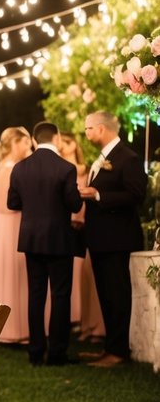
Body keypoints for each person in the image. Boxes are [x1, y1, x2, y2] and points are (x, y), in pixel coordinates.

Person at [7, 121, 82, 367]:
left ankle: (36, 352)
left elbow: (12, 203)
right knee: (60, 295)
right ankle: (57, 353)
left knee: (36, 295)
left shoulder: (20, 168)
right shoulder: (66, 168)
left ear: (36, 140)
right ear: (57, 137)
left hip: (31, 239)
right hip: (59, 239)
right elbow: (75, 205)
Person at [80, 111, 147, 368]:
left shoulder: (128, 158)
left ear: (102, 129)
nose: (86, 133)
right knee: (106, 295)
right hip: (99, 238)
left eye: (88, 128)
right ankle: (109, 347)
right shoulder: (102, 158)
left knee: (117, 295)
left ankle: (118, 352)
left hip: (118, 239)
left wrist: (98, 195)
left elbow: (136, 195)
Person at [0, 127, 32, 344]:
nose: (29, 148)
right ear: (15, 144)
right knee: (14, 272)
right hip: (11, 224)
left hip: (0, 225)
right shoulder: (11, 168)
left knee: (9, 271)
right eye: (25, 143)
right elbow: (9, 205)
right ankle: (14, 328)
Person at [59, 131, 105, 341]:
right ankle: (71, 318)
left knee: (81, 270)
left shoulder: (84, 169)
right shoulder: (58, 168)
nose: (63, 145)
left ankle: (82, 318)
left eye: (67, 142)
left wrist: (80, 217)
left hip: (81, 221)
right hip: (63, 222)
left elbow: (84, 195)